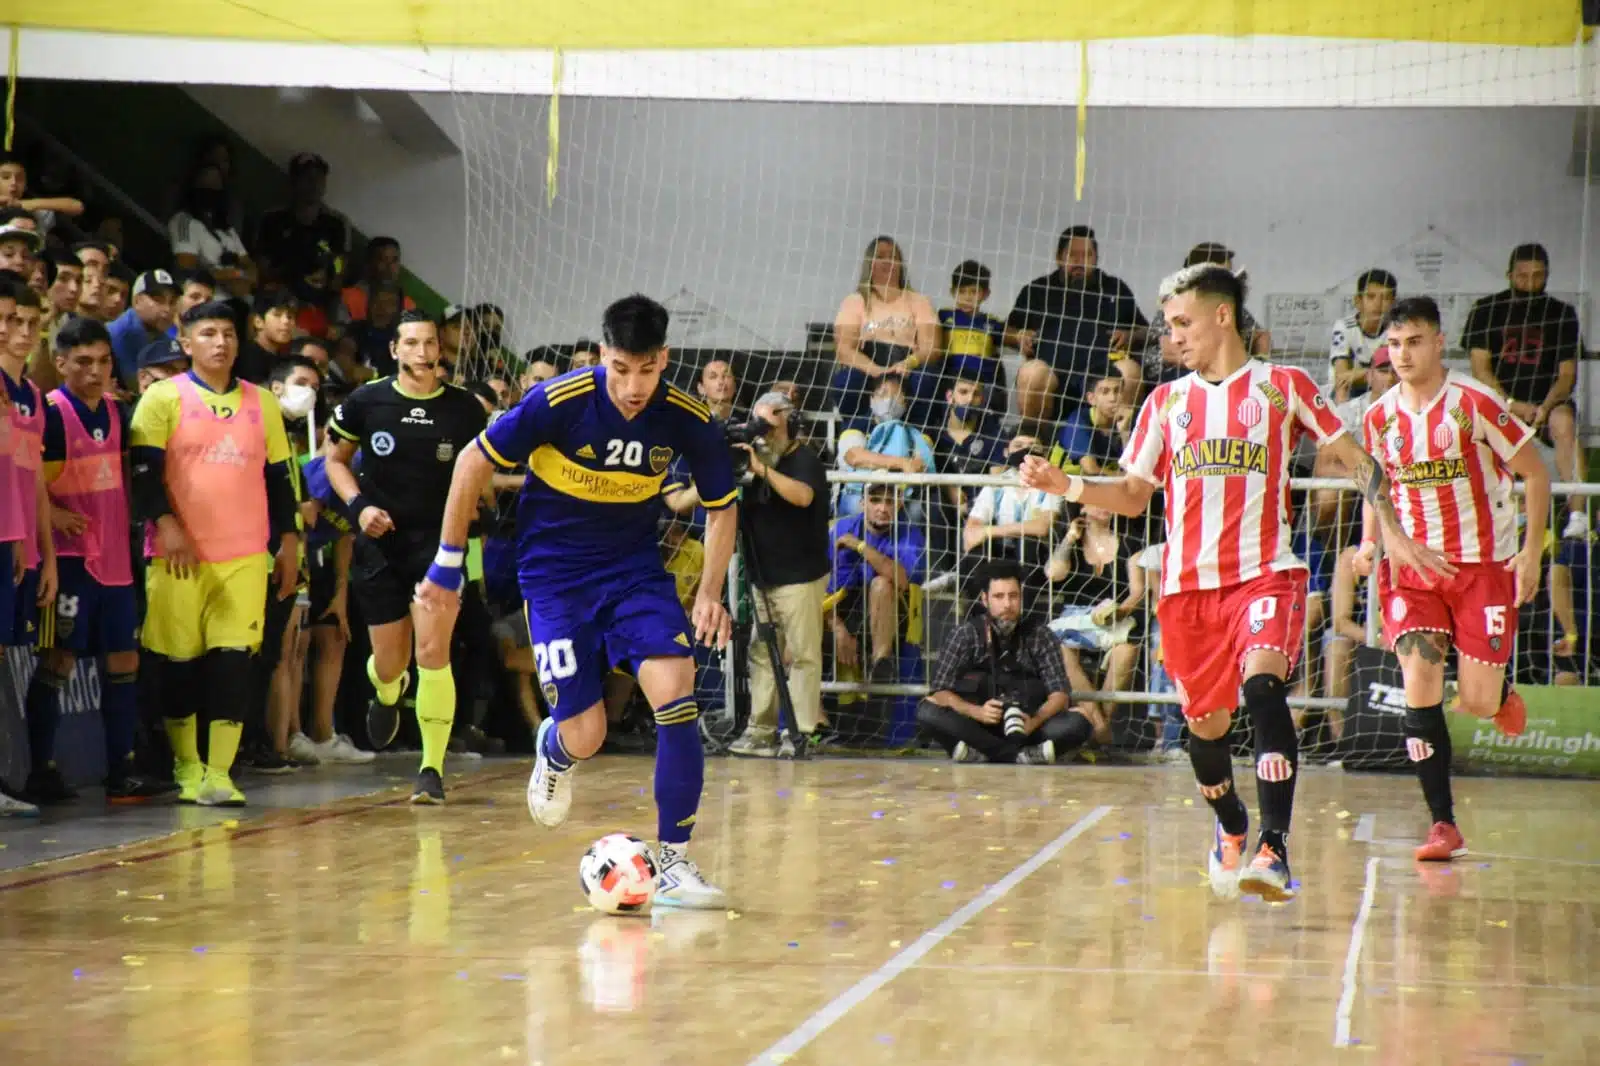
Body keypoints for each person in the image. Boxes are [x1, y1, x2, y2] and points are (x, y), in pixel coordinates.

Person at [1019, 263, 1451, 902]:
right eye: (1169, 327)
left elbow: (1361, 462)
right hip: (1190, 592)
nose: (1173, 338)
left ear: (1221, 315)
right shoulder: (1166, 403)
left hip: (1265, 576)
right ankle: (1231, 824)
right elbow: (1136, 495)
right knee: (1207, 733)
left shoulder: (1283, 386)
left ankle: (1274, 847)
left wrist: (1390, 531)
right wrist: (1071, 486)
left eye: (1181, 323)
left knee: (1265, 688)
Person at [415, 293, 738, 908]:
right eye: (621, 369)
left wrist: (712, 595)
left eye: (647, 370)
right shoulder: (557, 401)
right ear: (601, 356)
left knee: (677, 695)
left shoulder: (687, 418)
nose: (634, 386)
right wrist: (448, 564)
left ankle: (674, 864)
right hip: (556, 578)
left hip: (635, 572)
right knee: (587, 733)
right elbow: (470, 463)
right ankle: (556, 749)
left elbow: (724, 506)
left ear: (664, 360)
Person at [1352, 295, 1548, 862]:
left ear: (1439, 343)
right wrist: (1369, 544)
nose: (1403, 354)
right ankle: (1443, 824)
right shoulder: (1379, 414)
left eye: (1414, 342)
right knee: (1421, 681)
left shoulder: (1476, 404)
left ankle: (1499, 696)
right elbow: (1377, 486)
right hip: (1412, 573)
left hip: (1482, 568)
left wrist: (1531, 554)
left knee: (1480, 702)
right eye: (1394, 344)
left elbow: (1535, 473)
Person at [130, 299, 300, 806]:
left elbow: (279, 480)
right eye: (208, 333)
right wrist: (167, 525)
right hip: (177, 556)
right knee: (179, 663)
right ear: (185, 344)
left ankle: (220, 773)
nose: (221, 343)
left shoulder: (261, 403)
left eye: (228, 333)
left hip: (245, 555)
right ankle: (187, 766)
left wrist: (289, 542)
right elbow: (142, 475)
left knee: (233, 663)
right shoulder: (162, 398)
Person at [323, 310, 489, 803]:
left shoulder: (464, 410)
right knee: (392, 663)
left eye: (430, 343)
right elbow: (333, 461)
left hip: (440, 547)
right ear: (394, 350)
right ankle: (386, 691)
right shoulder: (366, 400)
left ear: (441, 350)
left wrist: (469, 520)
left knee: (433, 654)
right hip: (380, 546)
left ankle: (431, 771)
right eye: (411, 343)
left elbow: (478, 474)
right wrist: (359, 507)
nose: (421, 352)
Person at [29, 318, 165, 801]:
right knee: (59, 660)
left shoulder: (118, 412)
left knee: (124, 659)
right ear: (60, 362)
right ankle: (40, 768)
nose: (96, 371)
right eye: (83, 362)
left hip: (115, 561)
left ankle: (120, 768)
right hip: (69, 562)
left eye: (104, 361)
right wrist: (56, 512)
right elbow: (27, 482)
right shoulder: (51, 415)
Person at [724, 391, 832, 757]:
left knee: (802, 656)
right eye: (759, 426)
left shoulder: (804, 461)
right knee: (762, 652)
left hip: (801, 577)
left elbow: (802, 497)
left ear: (789, 421)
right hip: (763, 575)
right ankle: (761, 730)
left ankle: (798, 732)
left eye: (770, 425)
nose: (764, 434)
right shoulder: (753, 460)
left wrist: (762, 470)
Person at [918, 560, 1093, 764]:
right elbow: (940, 690)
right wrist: (977, 712)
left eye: (1013, 596)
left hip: (1027, 726)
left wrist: (1034, 721)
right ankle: (1017, 756)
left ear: (1021, 597)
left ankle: (983, 755)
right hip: (977, 726)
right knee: (927, 710)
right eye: (999, 597)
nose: (1007, 604)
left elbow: (1060, 694)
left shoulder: (1041, 636)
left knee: (1080, 722)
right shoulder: (965, 634)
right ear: (985, 599)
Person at [0, 277, 55, 814]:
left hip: (15, 539)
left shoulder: (31, 396)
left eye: (29, 323)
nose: (19, 331)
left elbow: (31, 474)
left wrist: (46, 552)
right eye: (12, 320)